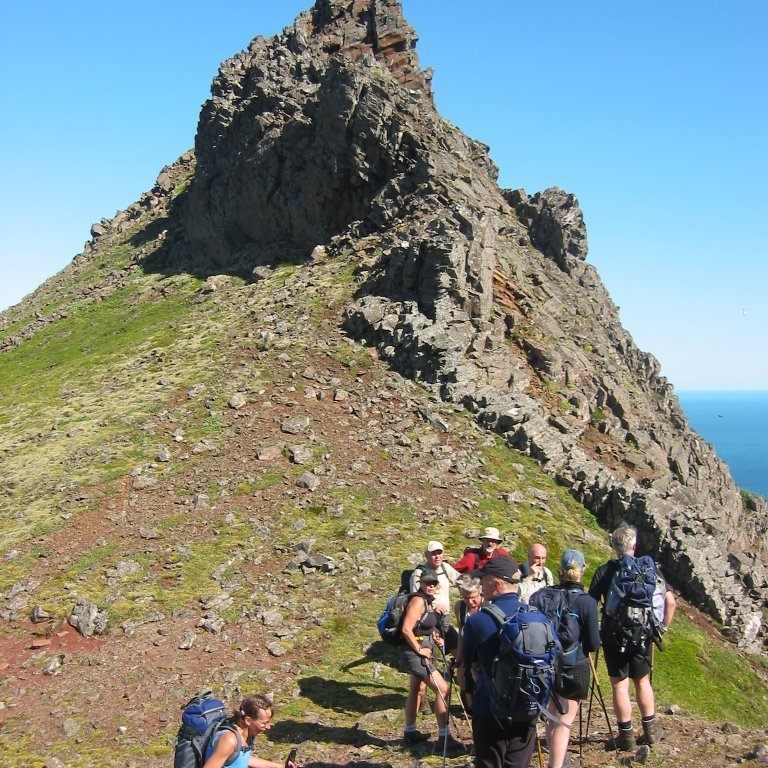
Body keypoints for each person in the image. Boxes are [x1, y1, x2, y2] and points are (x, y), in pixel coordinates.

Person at [588, 524, 676, 751]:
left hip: (614, 636)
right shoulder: (649, 570)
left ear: (614, 547)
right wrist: (661, 629)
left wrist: (593, 632)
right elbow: (671, 603)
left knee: (620, 685)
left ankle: (626, 737)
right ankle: (651, 731)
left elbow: (589, 605)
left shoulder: (605, 571)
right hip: (643, 634)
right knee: (642, 681)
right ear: (634, 547)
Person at [461, 556, 537, 768]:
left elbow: (467, 662)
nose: (480, 587)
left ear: (496, 584)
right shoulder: (535, 616)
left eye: (483, 581)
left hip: (489, 706)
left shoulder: (477, 621)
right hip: (528, 704)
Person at [530, 549, 600, 768]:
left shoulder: (547, 596)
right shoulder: (587, 602)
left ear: (560, 571)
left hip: (548, 664)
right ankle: (556, 764)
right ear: (583, 570)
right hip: (574, 665)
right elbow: (593, 643)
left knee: (553, 714)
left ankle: (555, 758)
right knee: (565, 721)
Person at [400, 567, 462, 753]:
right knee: (443, 689)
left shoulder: (428, 602)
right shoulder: (418, 601)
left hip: (423, 651)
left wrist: (435, 637)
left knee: (416, 689)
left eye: (434, 583)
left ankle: (410, 732)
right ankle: (444, 737)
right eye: (428, 583)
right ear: (421, 583)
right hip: (417, 654)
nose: (431, 586)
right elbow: (406, 629)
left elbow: (422, 626)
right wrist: (419, 649)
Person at [202, 693, 297, 768]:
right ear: (248, 720)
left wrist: (280, 766)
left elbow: (242, 758)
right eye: (264, 723)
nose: (268, 727)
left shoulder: (247, 735)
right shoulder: (229, 740)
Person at [410, 540, 460, 651]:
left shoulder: (445, 568)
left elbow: (460, 580)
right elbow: (415, 599)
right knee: (432, 648)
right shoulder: (418, 574)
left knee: (455, 645)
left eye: (439, 553)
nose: (437, 557)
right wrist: (432, 610)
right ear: (426, 555)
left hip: (444, 617)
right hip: (426, 619)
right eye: (433, 554)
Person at [452, 573, 482, 707]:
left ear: (479, 591)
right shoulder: (460, 607)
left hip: (484, 652)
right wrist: (459, 657)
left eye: (473, 597)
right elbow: (461, 633)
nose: (470, 602)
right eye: (466, 598)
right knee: (466, 684)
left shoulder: (487, 605)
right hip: (469, 652)